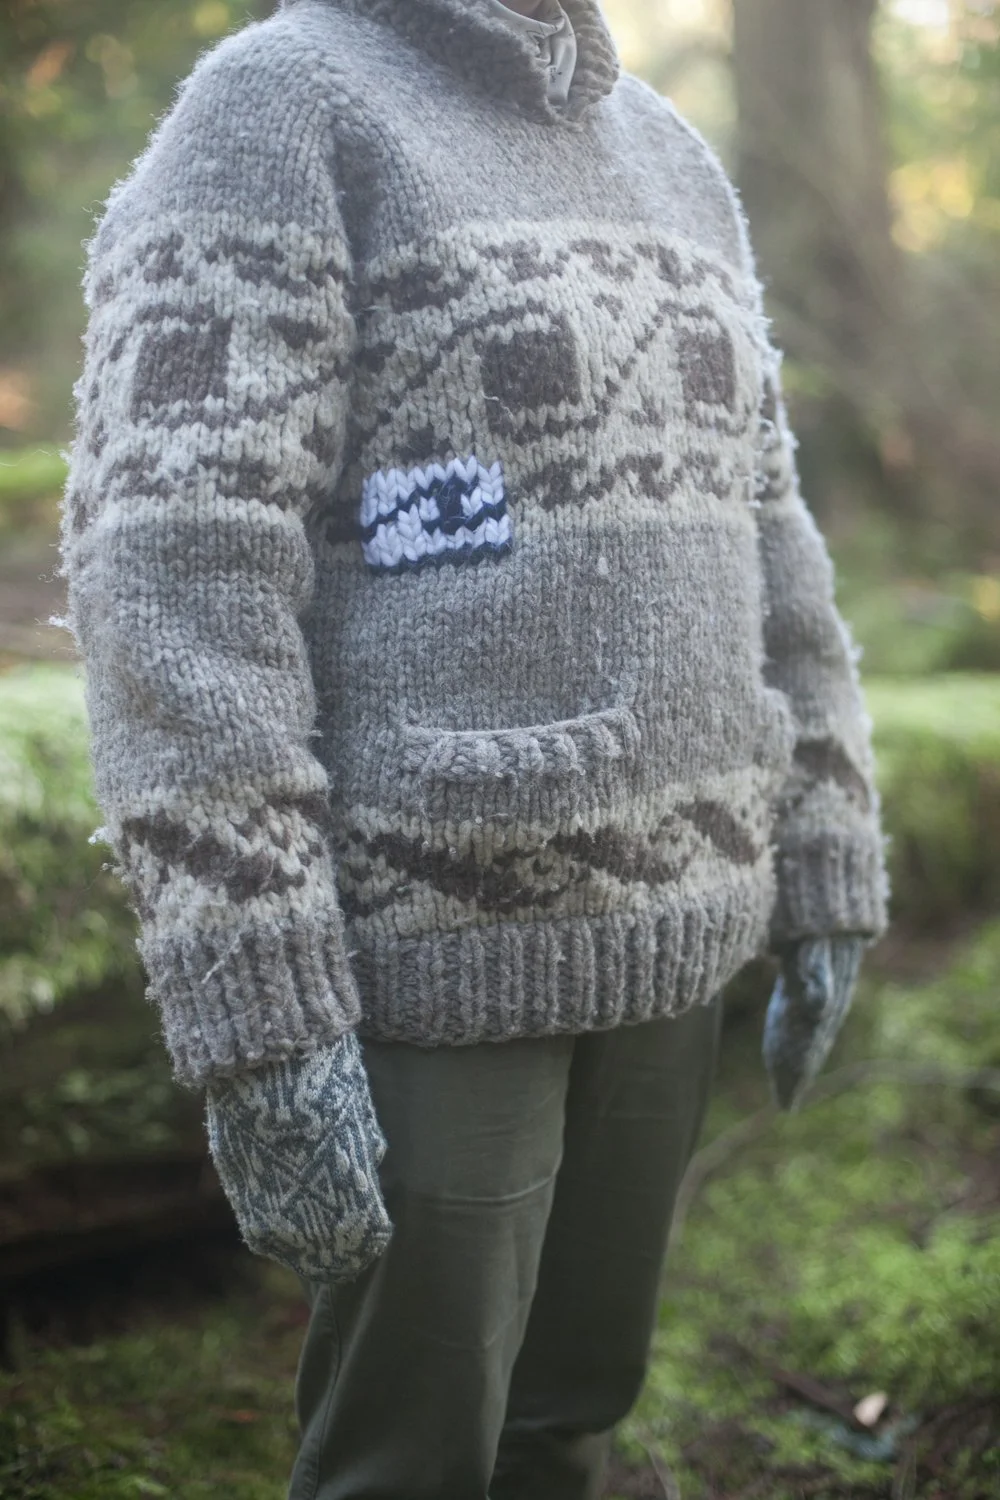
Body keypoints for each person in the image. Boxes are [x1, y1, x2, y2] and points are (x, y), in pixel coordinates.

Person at [60, 1, 889, 1495]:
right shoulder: (287, 106)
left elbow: (770, 523)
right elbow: (177, 567)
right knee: (414, 1454)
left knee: (569, 1414)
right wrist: (258, 1003)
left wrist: (825, 841)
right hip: (432, 945)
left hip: (684, 934)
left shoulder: (672, 154)